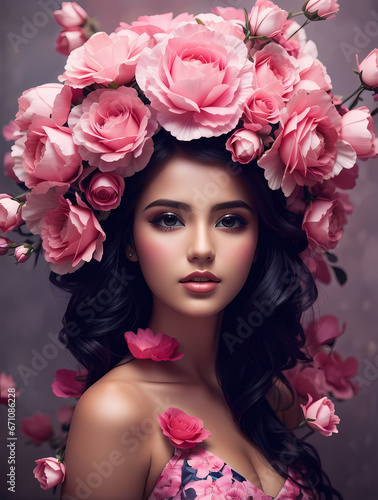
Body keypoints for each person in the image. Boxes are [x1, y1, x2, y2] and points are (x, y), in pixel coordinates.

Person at [52, 130, 335, 500]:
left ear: (258, 242)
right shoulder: (113, 412)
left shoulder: (265, 393)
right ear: (130, 243)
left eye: (230, 221)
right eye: (169, 219)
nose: (202, 249)